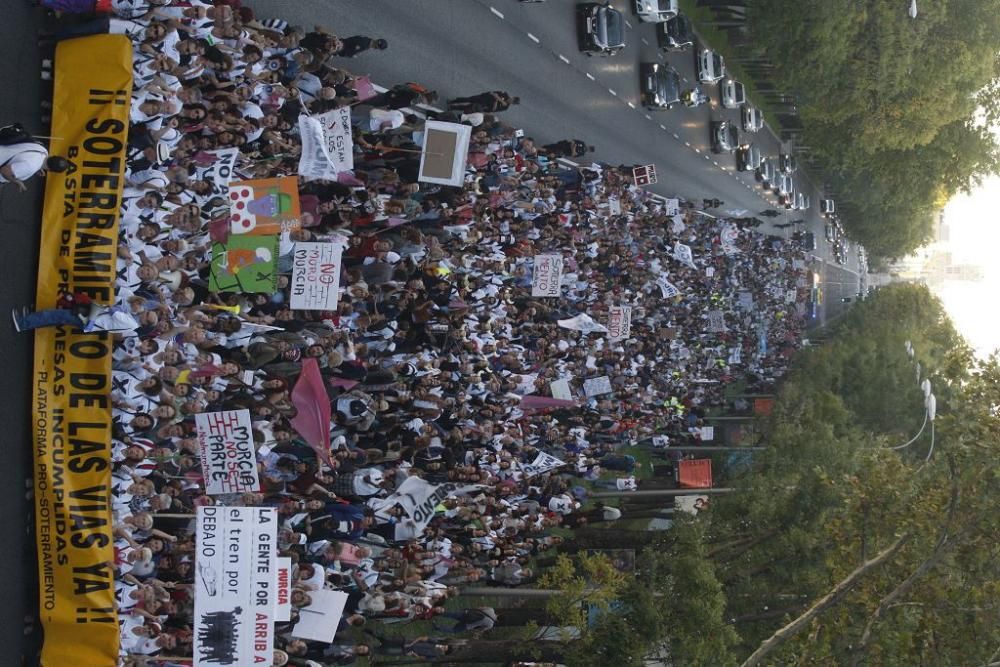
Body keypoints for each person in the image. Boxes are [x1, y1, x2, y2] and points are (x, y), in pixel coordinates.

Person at [0, 127, 68, 191]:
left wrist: (37, 169)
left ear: (53, 156)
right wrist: (17, 182)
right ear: (50, 170)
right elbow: (4, 171)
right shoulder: (30, 167)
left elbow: (28, 156)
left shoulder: (43, 150)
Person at [447, 90, 519, 113]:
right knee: (467, 99)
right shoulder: (505, 94)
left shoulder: (505, 107)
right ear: (512, 97)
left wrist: (496, 102)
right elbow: (493, 93)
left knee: (467, 107)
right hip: (484, 97)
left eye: (512, 102)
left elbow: (493, 110)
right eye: (512, 99)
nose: (510, 100)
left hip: (485, 106)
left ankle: (452, 107)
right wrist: (500, 100)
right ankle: (452, 101)